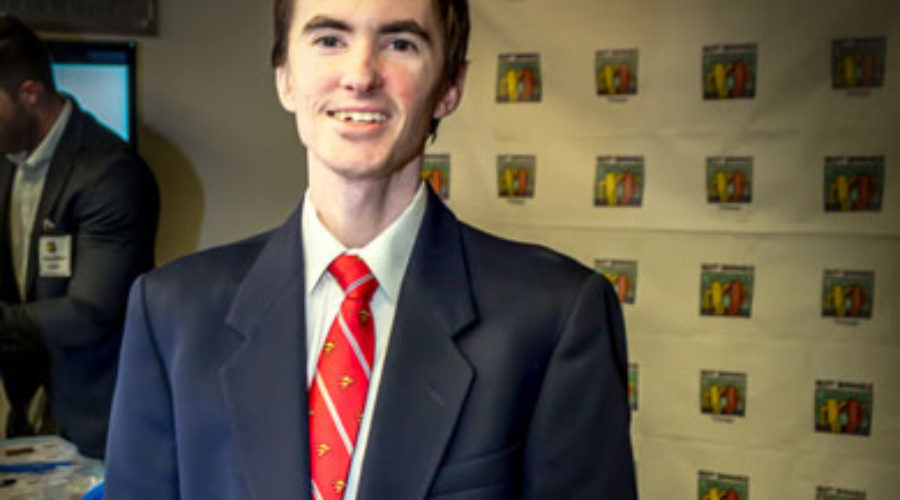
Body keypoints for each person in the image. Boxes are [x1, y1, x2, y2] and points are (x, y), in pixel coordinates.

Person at [105, 0, 636, 497]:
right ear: (285, 76)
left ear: (450, 86)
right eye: (329, 40)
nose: (360, 76)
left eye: (400, 44)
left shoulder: (555, 318)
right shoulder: (172, 313)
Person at [0, 15, 159, 459]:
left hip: (98, 420)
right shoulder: (6, 157)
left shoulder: (111, 174)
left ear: (29, 94)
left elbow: (89, 314)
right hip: (29, 411)